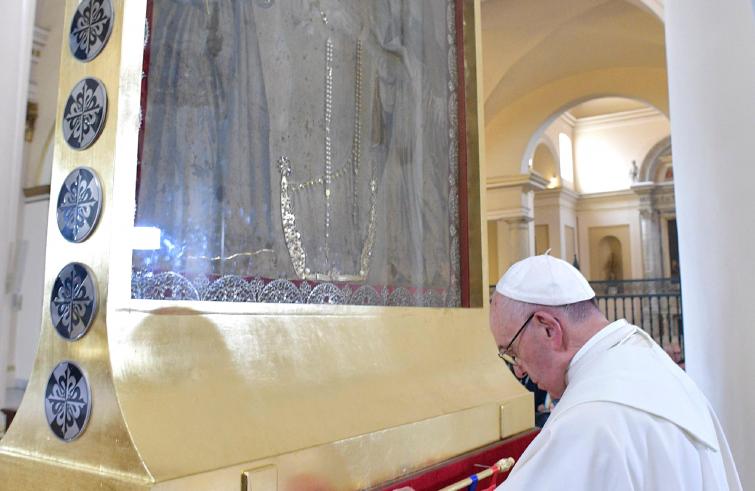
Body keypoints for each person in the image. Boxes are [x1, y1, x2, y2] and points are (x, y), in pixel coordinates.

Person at [489, 254, 742, 490]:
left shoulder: (590, 421)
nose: (519, 370)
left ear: (548, 329)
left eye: (513, 351)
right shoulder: (656, 367)